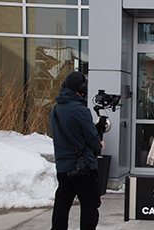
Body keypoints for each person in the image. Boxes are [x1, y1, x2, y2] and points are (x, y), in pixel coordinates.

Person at [49, 71, 105, 230]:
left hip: (63, 167)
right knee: (89, 205)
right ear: (81, 88)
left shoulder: (55, 110)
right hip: (83, 167)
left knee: (62, 204)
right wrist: (99, 144)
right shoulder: (80, 110)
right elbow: (92, 139)